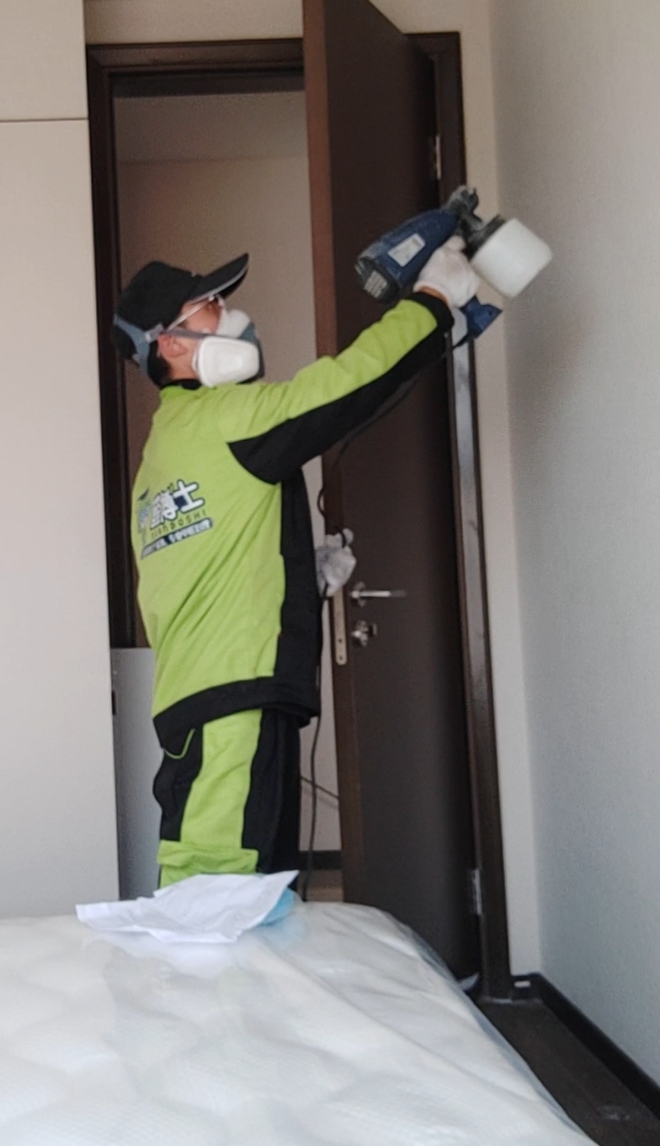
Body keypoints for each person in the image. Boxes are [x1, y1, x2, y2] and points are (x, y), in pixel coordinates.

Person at [112, 239, 477, 886]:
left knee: (249, 884)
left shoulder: (168, 449)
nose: (230, 312)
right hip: (231, 701)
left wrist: (300, 579)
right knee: (218, 889)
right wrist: (432, 303)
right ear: (170, 342)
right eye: (209, 304)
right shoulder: (223, 419)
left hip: (218, 695)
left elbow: (209, 574)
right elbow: (344, 385)